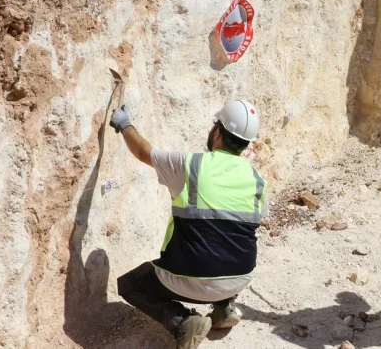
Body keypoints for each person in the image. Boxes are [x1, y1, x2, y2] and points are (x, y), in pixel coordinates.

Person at [109, 100, 269, 349]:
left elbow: (144, 153)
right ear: (246, 143)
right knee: (229, 242)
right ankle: (224, 309)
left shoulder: (190, 165)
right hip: (240, 276)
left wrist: (124, 124)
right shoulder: (257, 179)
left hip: (192, 278)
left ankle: (183, 321)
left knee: (130, 284)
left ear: (217, 132)